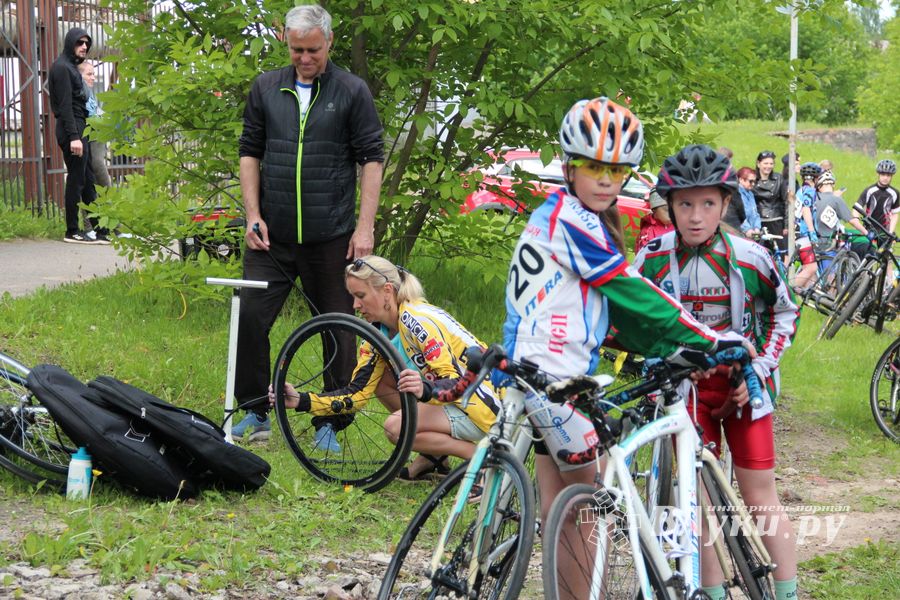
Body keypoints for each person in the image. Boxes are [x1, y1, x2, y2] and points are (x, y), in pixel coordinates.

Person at [503, 98, 746, 600]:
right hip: (558, 377)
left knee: (563, 509)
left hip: (536, 373)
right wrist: (708, 338)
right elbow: (633, 293)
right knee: (584, 508)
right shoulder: (575, 222)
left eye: (617, 169)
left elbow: (597, 313)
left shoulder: (554, 213)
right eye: (594, 166)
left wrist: (661, 342)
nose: (606, 179)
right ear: (570, 165)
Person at [634, 144, 800, 600]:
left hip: (744, 385)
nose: (694, 215)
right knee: (695, 503)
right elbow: (627, 317)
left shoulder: (750, 257)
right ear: (669, 207)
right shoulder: (650, 258)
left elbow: (786, 314)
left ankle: (786, 593)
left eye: (708, 203)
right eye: (684, 204)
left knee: (760, 496)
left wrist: (761, 369)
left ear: (726, 204)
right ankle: (710, 592)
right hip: (686, 393)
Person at [233, 4, 385, 443]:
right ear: (285, 41)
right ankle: (255, 413)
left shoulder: (352, 91)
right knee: (250, 318)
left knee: (339, 329)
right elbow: (249, 152)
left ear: (329, 42)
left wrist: (364, 228)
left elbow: (371, 159)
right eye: (297, 49)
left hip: (332, 238)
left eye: (313, 50)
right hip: (272, 238)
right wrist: (253, 216)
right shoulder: (266, 88)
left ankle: (330, 422)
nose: (305, 58)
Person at [272, 256, 500, 480]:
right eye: (352, 297)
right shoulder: (376, 334)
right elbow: (357, 394)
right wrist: (302, 400)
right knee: (380, 382)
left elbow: (455, 380)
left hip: (483, 405)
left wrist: (425, 388)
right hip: (456, 399)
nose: (355, 305)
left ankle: (484, 459)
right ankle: (433, 457)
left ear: (387, 291)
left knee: (395, 428)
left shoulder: (417, 320)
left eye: (360, 296)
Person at [48, 28, 107, 244]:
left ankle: (101, 231)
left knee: (88, 179)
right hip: (72, 129)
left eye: (86, 44)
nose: (84, 47)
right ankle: (72, 230)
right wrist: (74, 136)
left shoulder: (70, 67)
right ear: (70, 42)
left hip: (79, 127)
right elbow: (64, 105)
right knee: (76, 179)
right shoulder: (63, 68)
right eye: (80, 43)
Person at [813, 170, 868, 260]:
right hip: (829, 243)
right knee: (861, 240)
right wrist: (866, 233)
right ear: (833, 185)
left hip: (812, 242)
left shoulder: (813, 198)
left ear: (818, 186)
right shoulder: (836, 199)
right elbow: (852, 221)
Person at [77, 60, 112, 189]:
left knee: (97, 163)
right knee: (85, 170)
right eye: (89, 74)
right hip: (82, 134)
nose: (93, 78)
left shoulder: (88, 93)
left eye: (93, 74)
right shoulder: (79, 91)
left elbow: (95, 112)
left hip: (96, 132)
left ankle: (109, 195)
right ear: (79, 76)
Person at [792, 162, 823, 290]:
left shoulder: (801, 190)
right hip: (802, 233)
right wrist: (812, 231)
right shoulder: (810, 190)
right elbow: (806, 210)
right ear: (816, 178)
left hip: (796, 232)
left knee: (808, 269)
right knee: (811, 268)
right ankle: (787, 291)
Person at [853, 159, 899, 238]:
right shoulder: (870, 190)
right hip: (868, 230)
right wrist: (857, 224)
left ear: (892, 176)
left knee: (887, 250)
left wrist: (890, 233)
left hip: (885, 232)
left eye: (888, 175)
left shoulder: (895, 193)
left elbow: (895, 214)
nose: (885, 178)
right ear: (878, 174)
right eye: (883, 174)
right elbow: (856, 209)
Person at [752, 150, 787, 251]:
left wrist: (786, 225)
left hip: (775, 220)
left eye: (771, 163)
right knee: (757, 251)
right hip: (758, 222)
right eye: (765, 163)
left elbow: (786, 201)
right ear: (758, 164)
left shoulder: (779, 178)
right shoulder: (752, 179)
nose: (768, 166)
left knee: (779, 252)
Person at [735, 166, 762, 236]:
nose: (753, 184)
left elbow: (755, 213)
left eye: (754, 181)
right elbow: (737, 215)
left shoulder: (750, 194)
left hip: (751, 232)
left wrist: (757, 228)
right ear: (741, 180)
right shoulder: (736, 194)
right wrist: (747, 229)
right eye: (750, 181)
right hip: (739, 233)